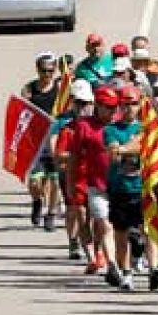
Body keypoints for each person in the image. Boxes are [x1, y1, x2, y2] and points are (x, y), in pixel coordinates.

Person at [67, 87, 120, 284]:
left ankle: (106, 255)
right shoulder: (84, 126)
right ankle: (103, 260)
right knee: (101, 222)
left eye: (115, 107)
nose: (113, 111)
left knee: (112, 226)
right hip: (94, 183)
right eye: (108, 107)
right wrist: (71, 183)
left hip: (120, 184)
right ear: (97, 105)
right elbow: (73, 157)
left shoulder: (119, 124)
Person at [102, 84, 146, 292]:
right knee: (120, 233)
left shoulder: (146, 127)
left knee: (143, 231)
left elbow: (146, 146)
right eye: (126, 104)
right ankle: (126, 272)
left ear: (141, 104)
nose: (130, 108)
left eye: (134, 104)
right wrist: (132, 146)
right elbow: (113, 154)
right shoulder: (111, 129)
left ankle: (140, 256)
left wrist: (125, 148)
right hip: (119, 187)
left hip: (143, 187)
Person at [51, 78, 95, 258]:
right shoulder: (62, 122)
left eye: (85, 103)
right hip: (69, 172)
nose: (81, 107)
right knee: (72, 208)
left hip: (92, 174)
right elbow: (55, 148)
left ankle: (91, 244)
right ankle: (73, 241)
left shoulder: (96, 122)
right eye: (78, 102)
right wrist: (74, 156)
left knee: (92, 212)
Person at [22, 52, 63, 229]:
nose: (47, 75)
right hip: (36, 142)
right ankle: (37, 201)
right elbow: (22, 113)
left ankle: (51, 213)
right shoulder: (29, 89)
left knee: (55, 180)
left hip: (55, 140)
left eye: (51, 71)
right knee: (34, 182)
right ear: (37, 70)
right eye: (44, 71)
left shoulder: (61, 89)